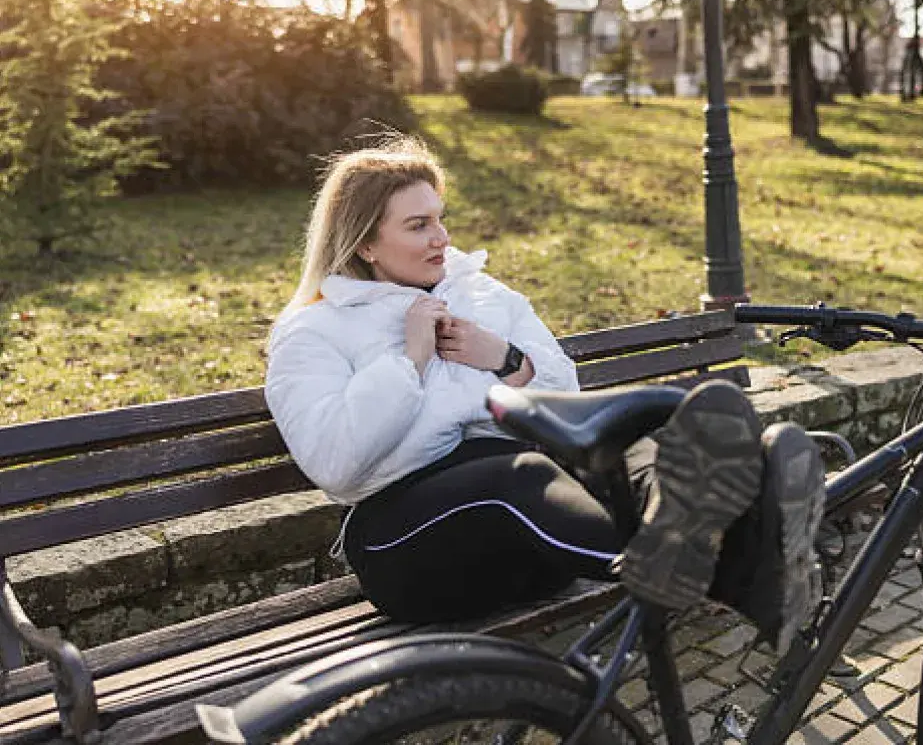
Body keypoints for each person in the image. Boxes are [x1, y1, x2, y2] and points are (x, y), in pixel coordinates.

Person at [265, 137, 824, 650]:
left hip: (538, 540)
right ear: (366, 243)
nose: (442, 238)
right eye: (418, 226)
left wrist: (505, 358)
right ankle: (738, 573)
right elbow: (336, 462)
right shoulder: (313, 330)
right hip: (408, 548)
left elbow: (565, 396)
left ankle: (738, 532)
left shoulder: (482, 294)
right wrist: (408, 360)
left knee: (630, 448)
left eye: (440, 219)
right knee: (516, 477)